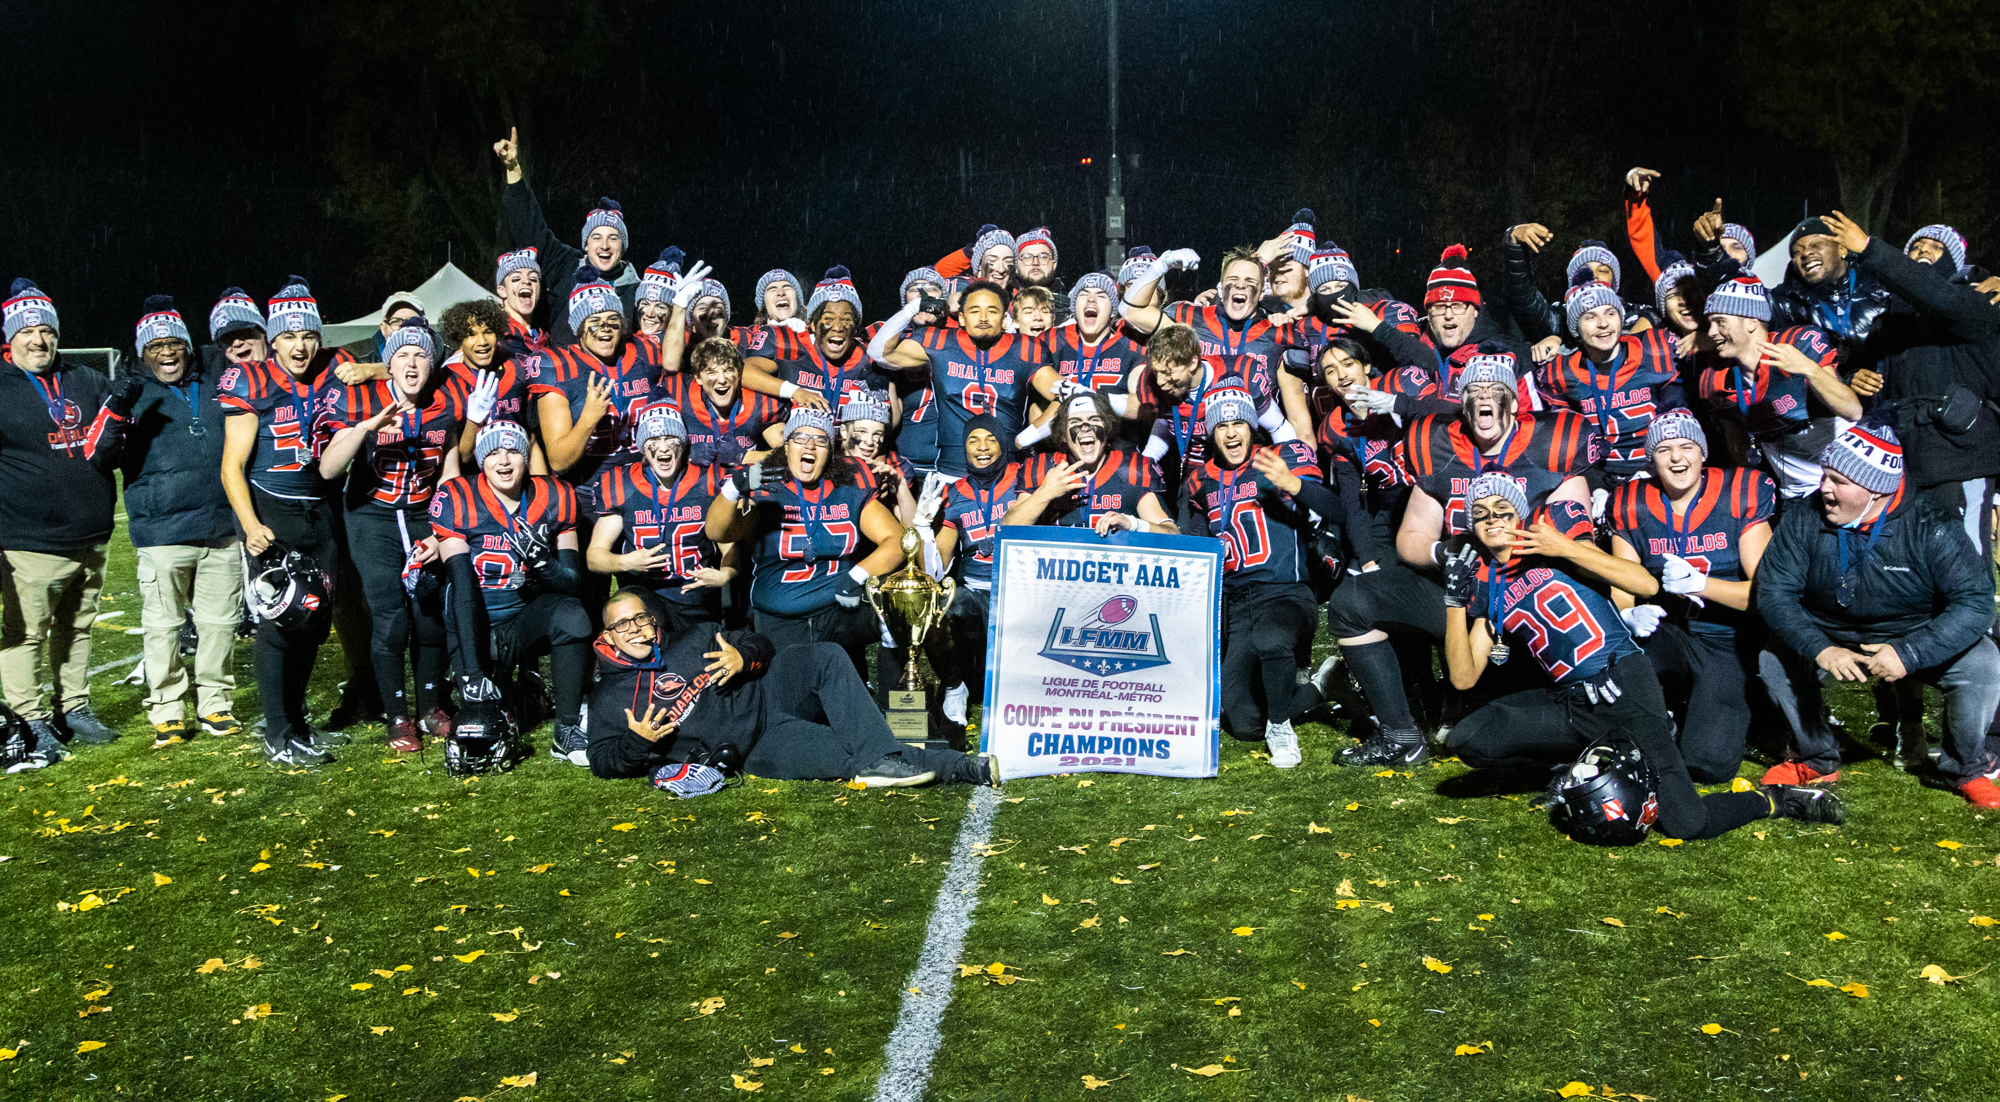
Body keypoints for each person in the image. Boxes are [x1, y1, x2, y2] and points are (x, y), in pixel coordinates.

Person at [1445, 474, 1838, 839]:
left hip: (1620, 684)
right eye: (1480, 514)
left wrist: (1563, 547)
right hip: (1568, 699)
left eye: (1503, 511)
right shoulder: (1486, 580)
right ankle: (1586, 766)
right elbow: (1464, 678)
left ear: (1520, 513)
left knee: (1687, 823)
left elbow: (1644, 583)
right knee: (1471, 738)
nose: (1492, 519)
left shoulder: (1554, 532)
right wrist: (1453, 603)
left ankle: (1776, 800)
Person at [1754, 424, 2000, 808]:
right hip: (1831, 633)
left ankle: (1967, 767)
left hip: (1913, 633)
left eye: (1839, 481)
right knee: (1774, 657)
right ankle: (1815, 757)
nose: (1824, 488)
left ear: (1878, 490)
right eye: (1825, 476)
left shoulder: (1930, 524)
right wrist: (1820, 648)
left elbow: (1976, 601)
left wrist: (1910, 653)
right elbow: (1774, 593)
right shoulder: (1805, 516)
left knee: (1983, 662)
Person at [585, 588, 998, 788]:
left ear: (653, 622)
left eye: (641, 620)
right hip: (758, 746)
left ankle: (881, 756)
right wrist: (635, 745)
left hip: (771, 690)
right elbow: (602, 761)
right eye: (622, 625)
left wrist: (742, 658)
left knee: (827, 656)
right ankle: (959, 767)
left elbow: (760, 643)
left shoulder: (693, 638)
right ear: (608, 636)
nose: (635, 630)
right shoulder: (608, 697)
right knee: (845, 753)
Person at [1816, 211, 2000, 566]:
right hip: (1904, 459)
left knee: (1964, 563)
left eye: (1936, 247)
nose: (1923, 251)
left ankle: (1978, 624)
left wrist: (1870, 249)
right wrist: (1855, 376)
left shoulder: (1976, 303)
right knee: (1913, 563)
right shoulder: (1889, 320)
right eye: (1916, 246)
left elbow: (1936, 295)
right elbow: (1860, 367)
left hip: (1960, 457)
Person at [98, 296, 242, 747]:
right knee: (164, 626)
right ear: (142, 353)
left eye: (174, 342)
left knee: (220, 622)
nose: (167, 352)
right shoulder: (130, 393)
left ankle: (216, 702)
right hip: (162, 530)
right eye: (156, 345)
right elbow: (99, 454)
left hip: (221, 525)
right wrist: (120, 407)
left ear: (187, 346)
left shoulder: (216, 379)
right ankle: (167, 708)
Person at [217, 276, 348, 765]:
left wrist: (374, 364)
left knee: (314, 619)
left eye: (308, 335)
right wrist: (250, 525)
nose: (300, 345)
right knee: (281, 620)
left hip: (322, 508)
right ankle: (278, 733)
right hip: (273, 511)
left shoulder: (338, 366)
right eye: (289, 336)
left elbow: (392, 368)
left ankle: (297, 723)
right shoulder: (250, 379)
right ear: (272, 339)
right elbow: (231, 467)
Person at [1605, 411, 1775, 782]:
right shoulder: (1631, 503)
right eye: (1664, 450)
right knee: (1624, 661)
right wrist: (1627, 617)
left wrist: (1702, 585)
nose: (1677, 458)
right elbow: (1622, 587)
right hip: (1669, 630)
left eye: (1686, 446)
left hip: (1726, 639)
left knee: (1708, 763)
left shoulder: (1739, 494)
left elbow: (1767, 596)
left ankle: (1730, 704)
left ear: (1703, 453)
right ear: (1651, 460)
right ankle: (1660, 715)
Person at [316, 318, 461, 753]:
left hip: (421, 517)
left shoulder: (444, 407)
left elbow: (450, 479)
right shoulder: (363, 403)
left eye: (420, 354)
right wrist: (363, 429)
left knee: (428, 612)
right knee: (391, 613)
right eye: (402, 355)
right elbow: (327, 468)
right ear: (389, 365)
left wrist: (443, 532)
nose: (412, 362)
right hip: (372, 519)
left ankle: (432, 707)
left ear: (431, 364)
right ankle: (397, 715)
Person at [1184, 385, 1343, 767]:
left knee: (1272, 638)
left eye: (1239, 422)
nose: (1232, 432)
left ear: (1253, 425)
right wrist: (1135, 524)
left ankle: (1281, 726)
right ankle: (1321, 687)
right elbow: (1187, 543)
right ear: (1211, 432)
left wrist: (1294, 484)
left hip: (1285, 591)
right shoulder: (1198, 480)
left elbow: (1336, 510)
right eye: (1222, 426)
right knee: (1241, 721)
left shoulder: (1282, 457)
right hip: (1237, 602)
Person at [0, 279, 121, 765]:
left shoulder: (85, 380)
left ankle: (72, 708)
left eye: (46, 330)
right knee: (26, 633)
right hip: (26, 538)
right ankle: (29, 718)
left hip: (90, 534)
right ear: (9, 337)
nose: (38, 340)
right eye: (27, 330)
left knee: (79, 626)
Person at [429, 421, 593, 765]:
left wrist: (544, 563)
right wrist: (472, 672)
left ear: (526, 457)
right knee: (485, 718)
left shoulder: (556, 495)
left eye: (513, 451)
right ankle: (512, 691)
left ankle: (566, 730)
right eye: (493, 453)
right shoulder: (457, 497)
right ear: (480, 459)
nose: (504, 461)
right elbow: (461, 585)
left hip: (521, 617)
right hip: (473, 620)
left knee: (573, 616)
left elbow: (572, 582)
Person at [702, 407, 908, 679]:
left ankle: (897, 708)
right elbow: (717, 532)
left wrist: (854, 577)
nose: (810, 445)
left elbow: (896, 541)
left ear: (830, 451)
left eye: (820, 440)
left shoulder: (850, 482)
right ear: (786, 446)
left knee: (899, 608)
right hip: (781, 617)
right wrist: (734, 488)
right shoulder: (767, 483)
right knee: (797, 706)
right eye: (800, 437)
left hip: (837, 610)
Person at [868, 279, 1064, 477]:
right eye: (975, 310)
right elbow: (878, 352)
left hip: (1008, 474)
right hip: (953, 472)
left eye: (992, 311)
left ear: (1005, 319)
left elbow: (1072, 398)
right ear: (961, 318)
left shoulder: (1024, 349)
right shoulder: (941, 342)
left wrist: (1025, 438)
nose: (983, 318)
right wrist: (913, 309)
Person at [1117, 246, 1316, 440]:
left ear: (1262, 292)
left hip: (1254, 459)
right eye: (1233, 280)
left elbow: (1298, 421)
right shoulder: (1188, 320)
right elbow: (1131, 311)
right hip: (1194, 454)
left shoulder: (1279, 334)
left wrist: (1302, 470)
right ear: (1220, 289)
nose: (1240, 286)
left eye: (1249, 281)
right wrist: (1161, 265)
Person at [1694, 275, 1861, 499]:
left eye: (1720, 321)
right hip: (1796, 495)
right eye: (1710, 323)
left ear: (1752, 322)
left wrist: (1809, 369)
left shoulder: (1798, 345)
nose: (1712, 331)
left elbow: (1853, 410)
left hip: (1851, 479)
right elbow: (1740, 452)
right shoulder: (1716, 380)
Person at [588, 407, 733, 633]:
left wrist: (726, 574)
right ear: (642, 448)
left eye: (671, 439)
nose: (663, 447)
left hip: (695, 598)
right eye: (654, 439)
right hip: (645, 597)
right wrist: (626, 563)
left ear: (683, 445)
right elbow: (594, 557)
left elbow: (730, 546)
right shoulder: (621, 485)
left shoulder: (708, 482)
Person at [494, 127, 638, 347]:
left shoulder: (637, 290)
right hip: (564, 376)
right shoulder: (566, 265)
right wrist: (513, 168)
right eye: (596, 237)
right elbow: (529, 227)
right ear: (586, 245)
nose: (605, 246)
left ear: (623, 246)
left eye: (613, 238)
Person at [1540, 277, 1685, 485]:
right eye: (1590, 316)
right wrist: (1595, 486)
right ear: (1576, 329)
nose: (1603, 323)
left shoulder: (1656, 349)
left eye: (1610, 313)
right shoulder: (1560, 374)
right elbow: (1566, 446)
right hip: (1602, 481)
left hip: (1660, 476)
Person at [931, 416, 1026, 724]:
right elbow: (940, 561)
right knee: (945, 607)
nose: (982, 447)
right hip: (976, 591)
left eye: (991, 439)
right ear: (964, 448)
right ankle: (954, 686)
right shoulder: (954, 492)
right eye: (973, 440)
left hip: (1019, 589)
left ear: (1003, 445)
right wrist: (921, 528)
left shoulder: (1024, 479)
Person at [1005, 391, 1176, 534]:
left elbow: (1172, 533)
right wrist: (1044, 493)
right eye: (1075, 422)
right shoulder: (1042, 468)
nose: (1085, 428)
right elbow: (1006, 529)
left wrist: (1133, 523)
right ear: (1063, 435)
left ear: (1107, 429)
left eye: (1094, 420)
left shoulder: (1132, 469)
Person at [743, 267, 890, 412]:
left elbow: (892, 418)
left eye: (846, 320)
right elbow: (744, 372)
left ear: (856, 326)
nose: (837, 327)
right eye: (828, 319)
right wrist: (796, 392)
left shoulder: (868, 355)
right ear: (812, 324)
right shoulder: (787, 341)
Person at [652, 337, 785, 473]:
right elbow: (648, 452)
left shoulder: (761, 404)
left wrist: (747, 456)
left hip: (741, 488)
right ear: (698, 377)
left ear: (739, 373)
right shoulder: (678, 392)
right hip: (695, 490)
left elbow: (789, 454)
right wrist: (684, 454)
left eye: (728, 370)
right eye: (712, 372)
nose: (722, 380)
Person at [838, 391, 917, 524]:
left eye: (877, 434)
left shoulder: (894, 465)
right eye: (862, 431)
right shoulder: (827, 461)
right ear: (844, 432)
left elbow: (912, 531)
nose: (869, 441)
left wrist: (900, 485)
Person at [493, 246, 547, 355]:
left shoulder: (545, 337)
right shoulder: (493, 334)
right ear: (502, 291)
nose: (526, 281)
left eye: (533, 279)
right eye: (516, 278)